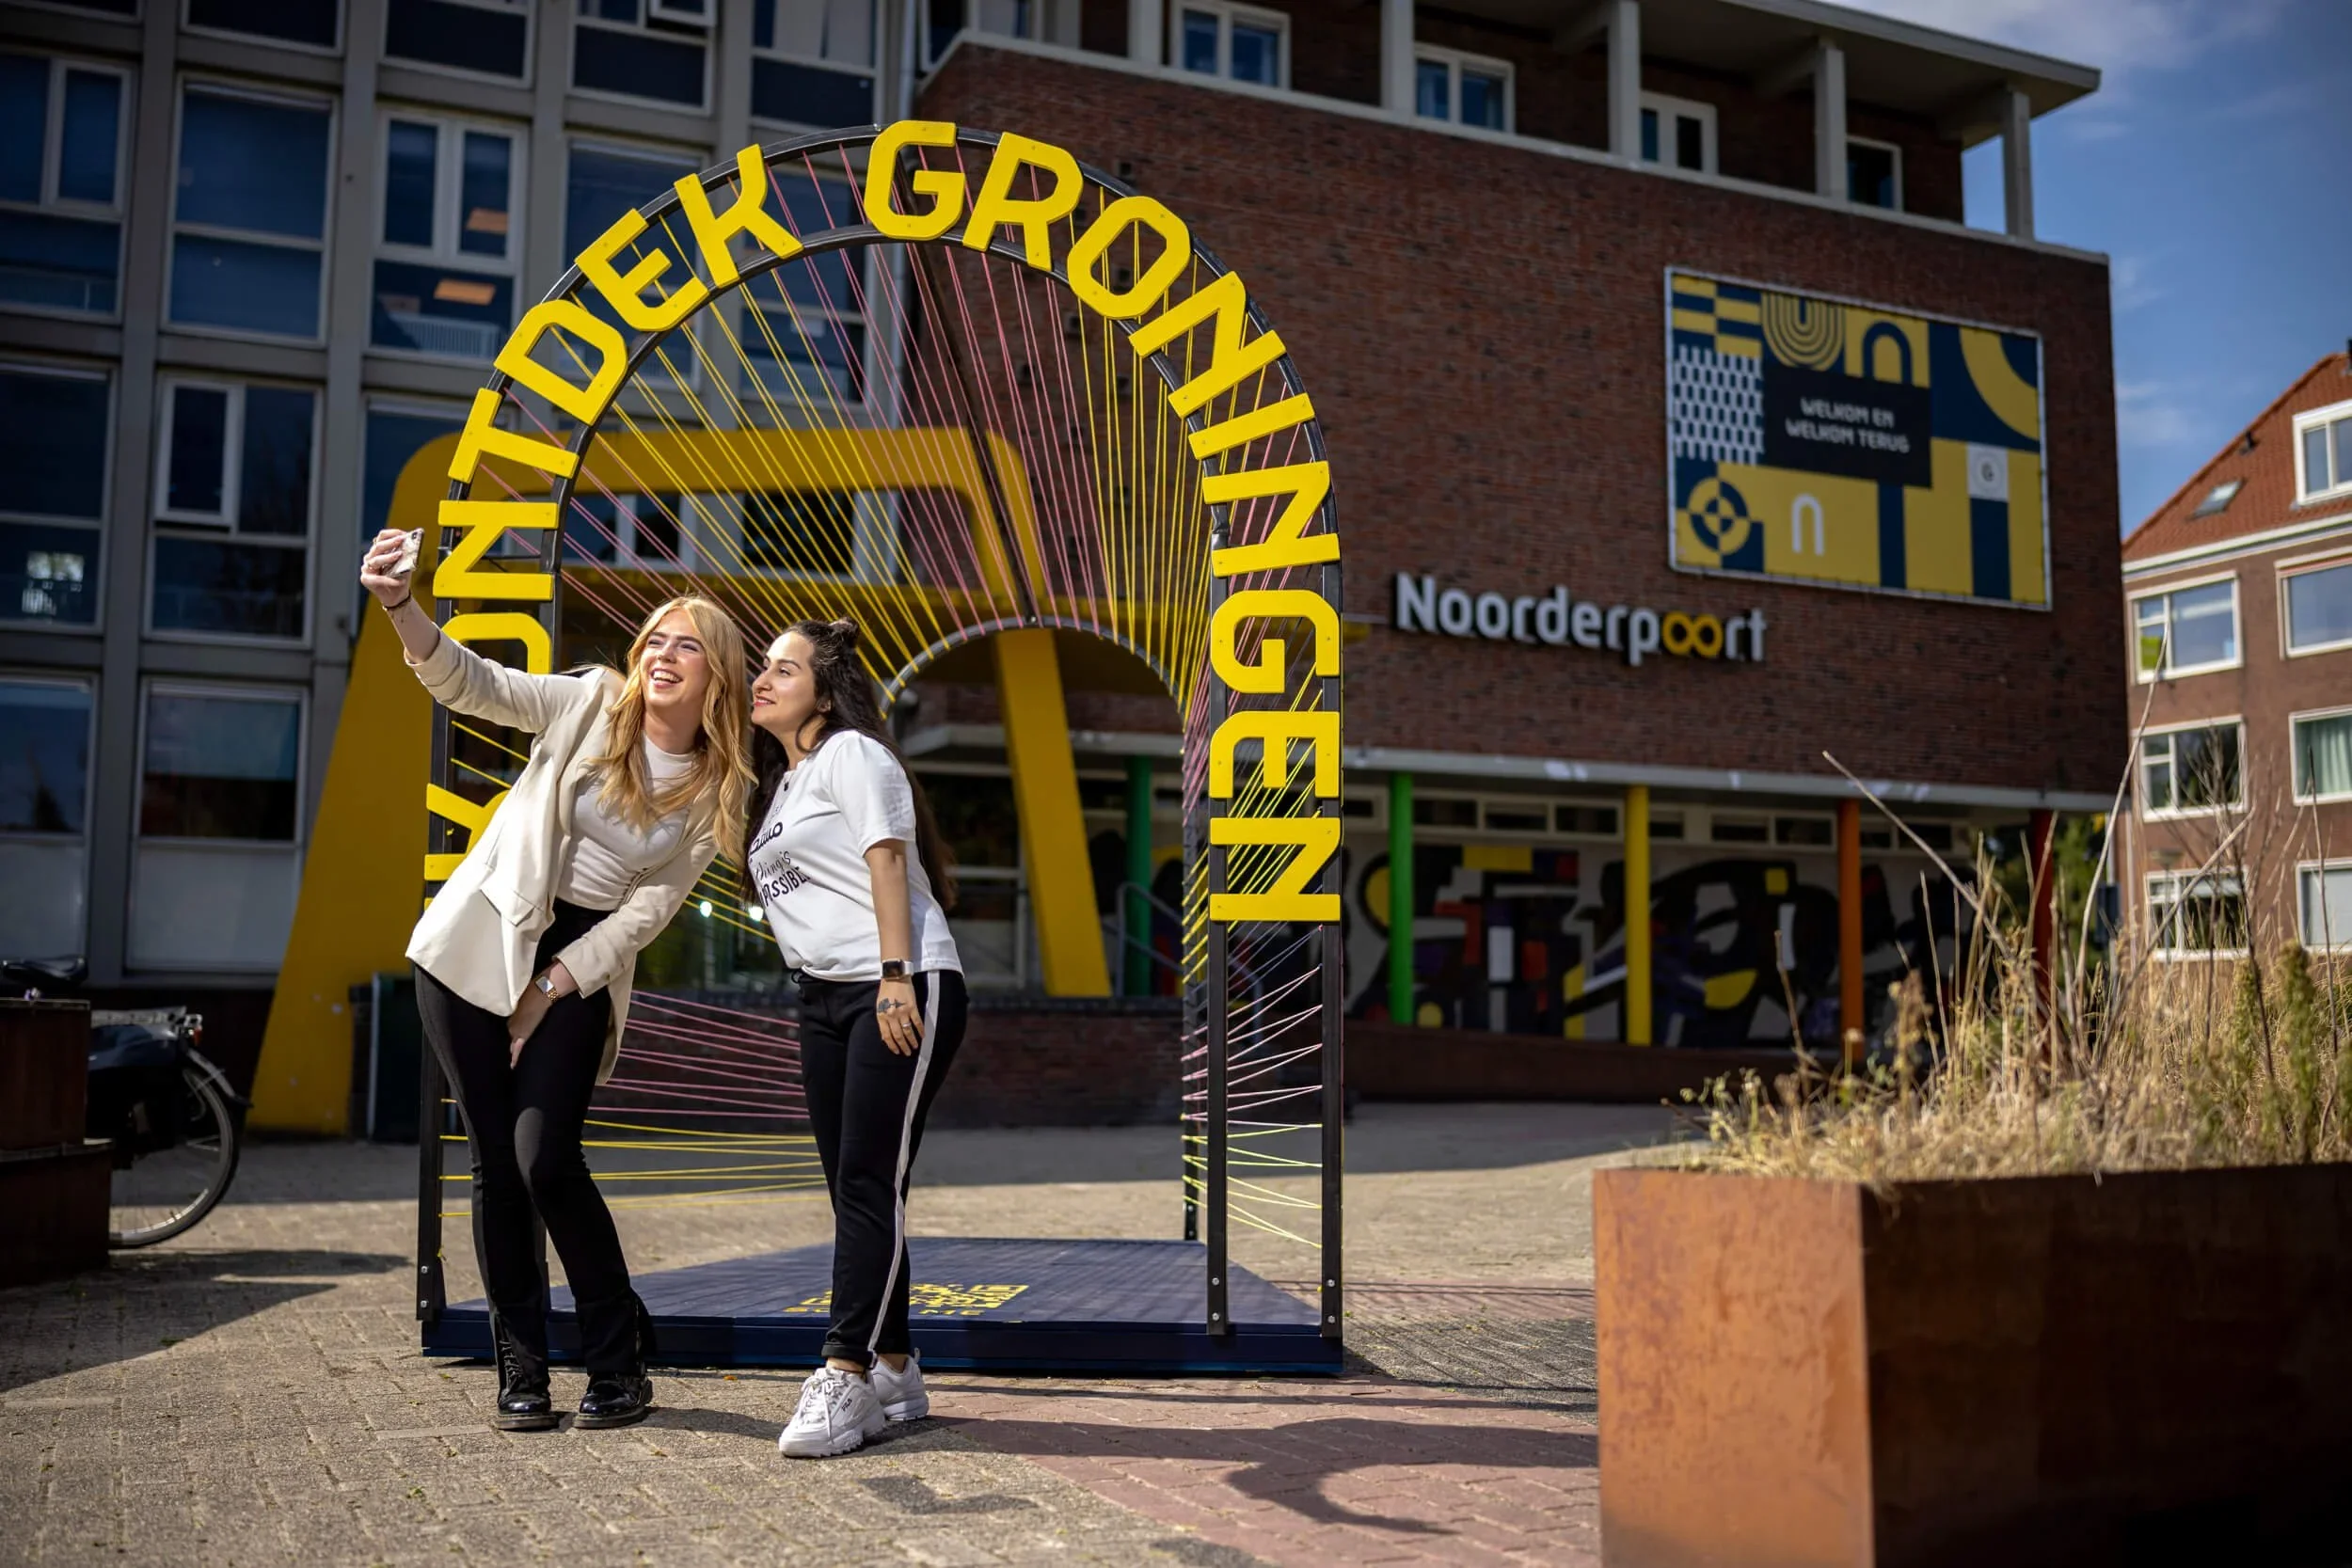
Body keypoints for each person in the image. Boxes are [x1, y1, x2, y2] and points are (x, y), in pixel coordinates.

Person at [359, 529, 752, 1433]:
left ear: (717, 675)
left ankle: (620, 1365)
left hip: (577, 969)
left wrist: (550, 986)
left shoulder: (716, 787)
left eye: (686, 643)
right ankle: (522, 1368)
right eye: (656, 636)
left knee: (547, 1158)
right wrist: (399, 605)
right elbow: (476, 684)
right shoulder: (592, 702)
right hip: (477, 944)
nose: (663, 652)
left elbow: (643, 916)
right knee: (497, 1163)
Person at [745, 617, 966, 1459]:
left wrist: (894, 973)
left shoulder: (854, 755)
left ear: (826, 690)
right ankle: (898, 1368)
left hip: (898, 982)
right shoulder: (784, 785)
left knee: (872, 1176)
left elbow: (884, 861)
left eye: (784, 669)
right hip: (822, 995)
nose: (763, 680)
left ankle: (843, 1374)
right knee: (854, 1186)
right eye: (763, 668)